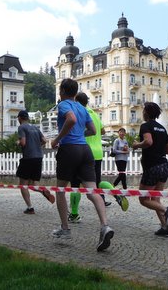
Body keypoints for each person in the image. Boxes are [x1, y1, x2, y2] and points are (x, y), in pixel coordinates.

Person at [50, 78, 114, 252]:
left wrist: (58, 139)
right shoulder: (82, 107)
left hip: (69, 149)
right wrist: (79, 134)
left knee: (61, 190)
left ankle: (65, 228)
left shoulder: (64, 105)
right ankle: (104, 226)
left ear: (62, 90)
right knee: (92, 191)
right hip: (85, 150)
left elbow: (70, 120)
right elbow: (93, 130)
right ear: (76, 91)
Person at [68, 92, 128, 223]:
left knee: (75, 184)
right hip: (98, 153)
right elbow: (102, 131)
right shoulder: (94, 114)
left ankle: (74, 214)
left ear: (77, 102)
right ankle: (115, 192)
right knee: (96, 181)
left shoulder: (78, 113)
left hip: (83, 152)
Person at [132, 102, 168, 237]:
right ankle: (165, 227)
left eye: (144, 110)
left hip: (152, 166)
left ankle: (166, 210)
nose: (142, 112)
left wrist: (136, 145)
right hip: (164, 166)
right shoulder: (162, 128)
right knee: (155, 198)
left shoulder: (146, 126)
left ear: (147, 112)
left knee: (144, 199)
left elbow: (148, 142)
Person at [16, 109, 55, 214]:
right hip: (38, 157)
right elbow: (44, 140)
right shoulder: (35, 127)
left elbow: (23, 143)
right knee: (34, 183)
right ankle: (42, 190)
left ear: (19, 118)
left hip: (28, 158)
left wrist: (18, 142)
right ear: (27, 118)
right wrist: (37, 146)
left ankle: (30, 207)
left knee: (23, 184)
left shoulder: (21, 127)